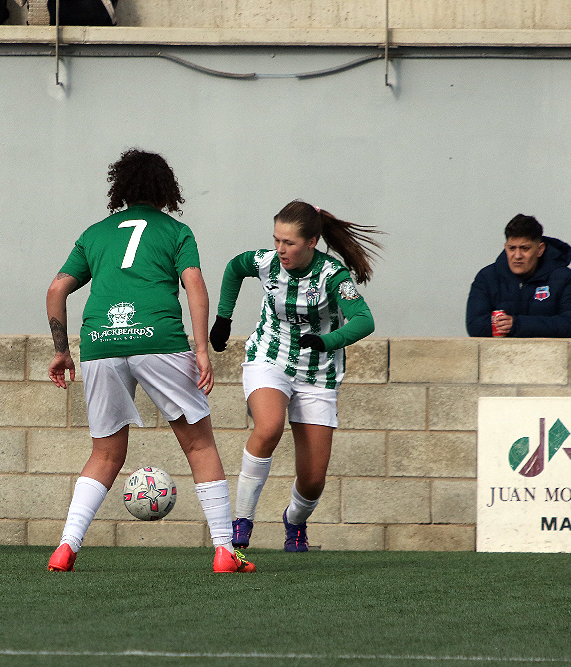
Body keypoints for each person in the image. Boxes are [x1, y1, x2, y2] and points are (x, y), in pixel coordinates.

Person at [45, 148, 255, 574]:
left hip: (100, 342)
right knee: (199, 444)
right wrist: (201, 349)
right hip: (159, 338)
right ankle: (223, 551)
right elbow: (194, 284)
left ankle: (65, 547)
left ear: (121, 188)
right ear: (165, 190)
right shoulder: (176, 231)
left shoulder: (95, 234)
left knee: (105, 454)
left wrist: (62, 351)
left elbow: (55, 290)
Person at [209, 200, 378, 552]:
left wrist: (327, 341)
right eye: (276, 240)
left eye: (289, 243)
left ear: (311, 242)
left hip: (317, 372)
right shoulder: (266, 262)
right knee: (268, 427)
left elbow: (364, 320)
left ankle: (295, 521)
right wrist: (224, 317)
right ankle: (241, 522)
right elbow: (235, 267)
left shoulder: (333, 276)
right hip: (269, 358)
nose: (280, 249)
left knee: (313, 480)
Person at [465, 214, 571, 338]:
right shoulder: (487, 278)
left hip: (548, 351)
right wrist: (507, 325)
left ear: (540, 249)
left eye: (525, 248)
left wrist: (517, 325)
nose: (517, 256)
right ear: (506, 247)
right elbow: (475, 325)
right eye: (512, 248)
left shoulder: (564, 278)